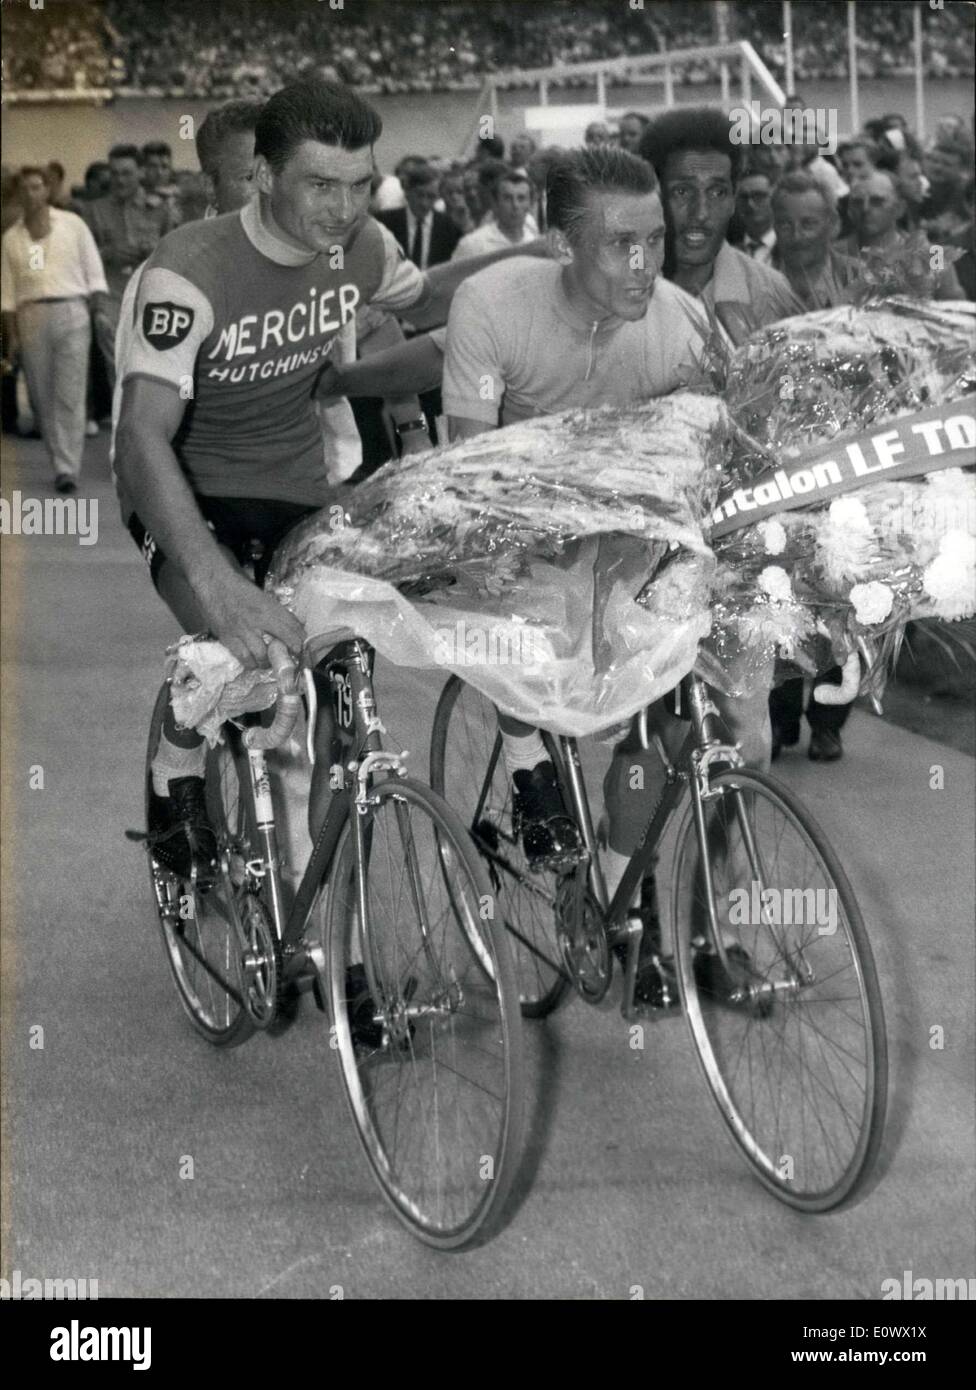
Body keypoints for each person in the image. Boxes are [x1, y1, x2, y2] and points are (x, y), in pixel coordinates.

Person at [113, 77, 550, 880]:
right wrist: (214, 582)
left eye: (360, 185)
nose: (345, 209)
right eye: (320, 185)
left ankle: (327, 919)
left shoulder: (363, 249)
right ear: (264, 177)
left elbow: (424, 301)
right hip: (183, 487)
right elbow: (142, 438)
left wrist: (534, 254)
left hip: (293, 488)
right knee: (239, 656)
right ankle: (173, 767)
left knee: (345, 693)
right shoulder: (186, 270)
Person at [441, 146, 719, 1006]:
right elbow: (468, 475)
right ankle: (526, 762)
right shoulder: (490, 303)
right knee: (499, 592)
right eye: (620, 244)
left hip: (624, 522)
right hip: (512, 506)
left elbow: (716, 470)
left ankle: (610, 899)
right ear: (564, 244)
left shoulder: (680, 322)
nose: (645, 265)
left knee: (662, 711)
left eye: (657, 241)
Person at [638, 106, 801, 344]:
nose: (701, 213)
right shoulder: (621, 280)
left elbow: (790, 379)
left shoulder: (770, 291)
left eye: (717, 192)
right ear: (654, 196)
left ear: (733, 200)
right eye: (682, 191)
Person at [1, 166, 109, 493]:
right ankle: (57, 456)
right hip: (31, 315)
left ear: (47, 190)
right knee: (40, 394)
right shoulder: (11, 238)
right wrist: (13, 338)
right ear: (19, 194)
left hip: (71, 310)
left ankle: (67, 467)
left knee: (70, 391)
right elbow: (7, 295)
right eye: (26, 189)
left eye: (37, 187)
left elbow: (94, 271)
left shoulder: (73, 226)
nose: (32, 194)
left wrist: (99, 310)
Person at [84, 143, 175, 390]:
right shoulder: (95, 210)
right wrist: (109, 253)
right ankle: (120, 422)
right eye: (114, 173)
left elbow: (176, 252)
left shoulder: (161, 208)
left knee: (151, 365)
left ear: (140, 173)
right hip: (111, 298)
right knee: (117, 369)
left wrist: (154, 252)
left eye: (126, 173)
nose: (119, 180)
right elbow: (85, 257)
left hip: (149, 297)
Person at [841, 168, 964, 299]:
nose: (865, 209)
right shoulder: (832, 254)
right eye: (857, 202)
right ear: (849, 210)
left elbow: (956, 309)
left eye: (877, 202)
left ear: (899, 209)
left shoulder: (934, 256)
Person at [771, 172, 860, 309]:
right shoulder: (759, 282)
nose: (797, 236)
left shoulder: (861, 279)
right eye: (785, 225)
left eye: (808, 224)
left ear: (832, 224)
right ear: (774, 226)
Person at [376, 164, 461, 270]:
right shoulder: (385, 222)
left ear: (438, 196)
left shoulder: (450, 227)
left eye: (431, 196)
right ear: (407, 193)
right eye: (419, 195)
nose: (424, 203)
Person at [452, 166, 536, 260]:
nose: (515, 205)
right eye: (507, 198)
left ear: (530, 204)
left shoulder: (535, 243)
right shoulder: (472, 244)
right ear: (495, 203)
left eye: (521, 198)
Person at [731, 167, 776, 263]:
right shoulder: (728, 253)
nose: (750, 204)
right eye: (744, 197)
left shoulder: (790, 247)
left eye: (759, 196)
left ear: (774, 199)